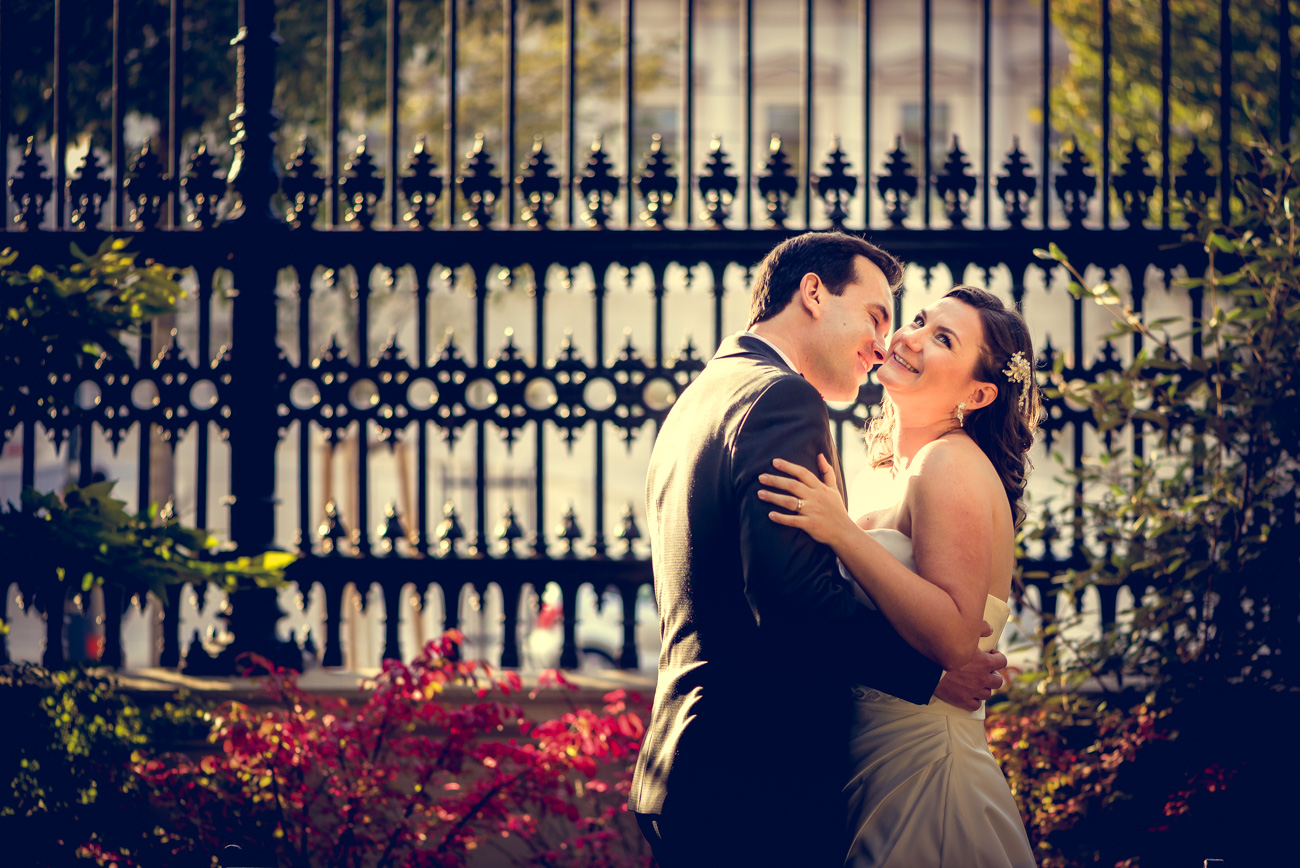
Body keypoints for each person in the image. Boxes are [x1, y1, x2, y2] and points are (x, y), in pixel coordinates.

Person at [628, 234, 1008, 867]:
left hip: (691, 763)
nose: (888, 341)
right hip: (754, 775)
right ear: (812, 293)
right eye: (879, 316)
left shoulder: (702, 396)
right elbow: (792, 602)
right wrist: (932, 677)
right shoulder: (782, 398)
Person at [757, 284, 1042, 866]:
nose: (908, 337)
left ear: (979, 392)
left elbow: (954, 636)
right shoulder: (883, 468)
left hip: (926, 770)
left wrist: (842, 532)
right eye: (918, 320)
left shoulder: (949, 464)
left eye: (942, 339)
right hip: (866, 755)